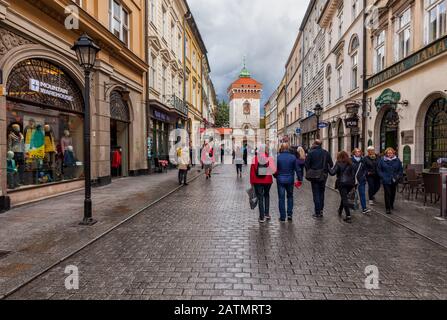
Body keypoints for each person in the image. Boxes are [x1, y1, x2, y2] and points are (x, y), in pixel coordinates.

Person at [305, 140, 333, 218]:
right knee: (321, 193)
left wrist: (310, 171)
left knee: (316, 193)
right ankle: (321, 210)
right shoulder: (326, 153)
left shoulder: (311, 153)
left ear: (314, 144)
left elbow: (306, 164)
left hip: (314, 176)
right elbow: (331, 164)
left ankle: (317, 212)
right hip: (323, 176)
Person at [275, 143, 302, 222]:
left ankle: (282, 217)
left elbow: (274, 170)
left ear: (281, 148)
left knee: (281, 198)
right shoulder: (293, 157)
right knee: (290, 197)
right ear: (288, 148)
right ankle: (289, 214)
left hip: (280, 180)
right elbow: (298, 169)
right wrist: (300, 179)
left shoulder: (278, 157)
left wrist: (276, 176)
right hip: (290, 179)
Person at [250, 145, 276, 223]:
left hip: (257, 181)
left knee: (260, 197)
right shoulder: (270, 158)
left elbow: (252, 172)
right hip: (268, 181)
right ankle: (267, 214)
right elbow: (274, 170)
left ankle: (261, 217)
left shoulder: (254, 159)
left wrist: (252, 182)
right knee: (267, 195)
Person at [330, 151, 356, 223]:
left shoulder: (338, 163)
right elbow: (353, 175)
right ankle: (340, 210)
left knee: (344, 198)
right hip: (350, 184)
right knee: (344, 197)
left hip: (342, 183)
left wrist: (328, 167)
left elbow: (332, 173)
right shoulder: (351, 163)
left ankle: (348, 216)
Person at [377, 147, 403, 215]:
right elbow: (379, 169)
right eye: (388, 153)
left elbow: (400, 170)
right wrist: (382, 176)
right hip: (386, 179)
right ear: (386, 153)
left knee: (393, 193)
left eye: (391, 153)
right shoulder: (382, 160)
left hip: (394, 179)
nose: (389, 154)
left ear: (393, 153)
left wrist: (398, 176)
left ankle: (391, 204)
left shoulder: (397, 160)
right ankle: (387, 208)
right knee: (387, 193)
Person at [351, 148, 371, 214]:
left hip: (362, 180)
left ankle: (364, 208)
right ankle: (349, 206)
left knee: (362, 194)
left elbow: (366, 169)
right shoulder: (351, 160)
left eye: (359, 152)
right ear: (354, 153)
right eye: (356, 152)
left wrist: (364, 175)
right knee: (351, 194)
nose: (358, 153)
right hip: (353, 180)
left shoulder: (363, 160)